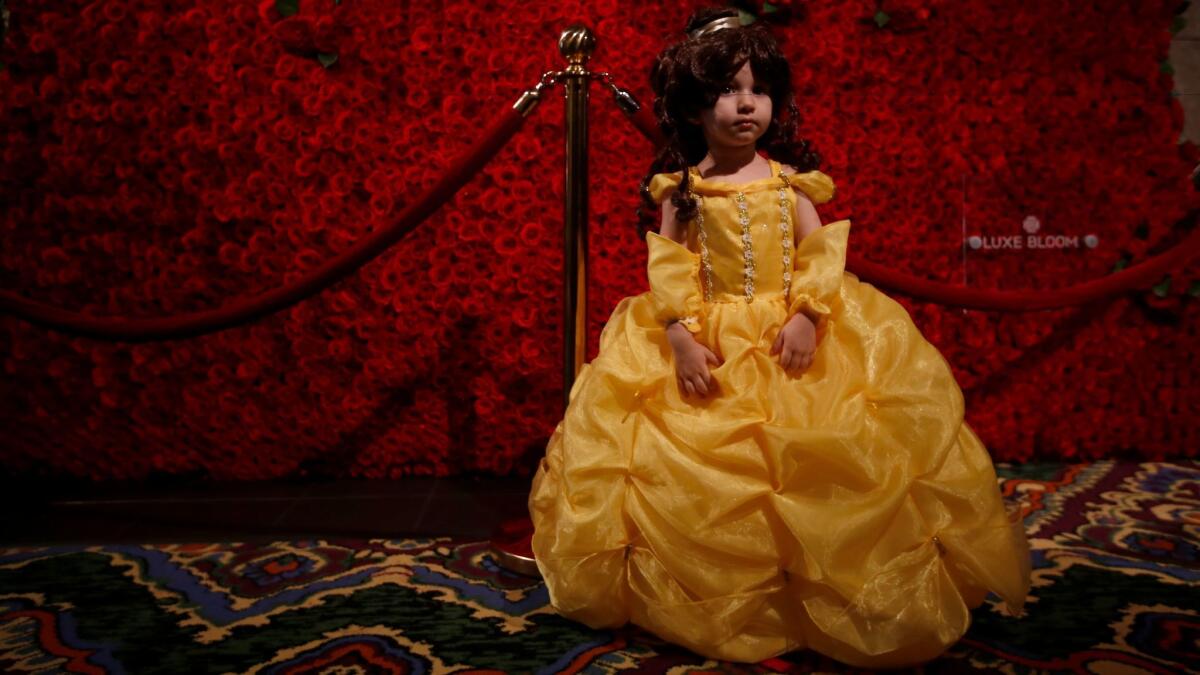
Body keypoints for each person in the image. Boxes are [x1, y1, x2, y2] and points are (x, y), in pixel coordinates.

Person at [528, 7, 1031, 669]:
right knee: (705, 463)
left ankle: (826, 584)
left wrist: (807, 315)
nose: (744, 105)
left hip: (793, 337)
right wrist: (678, 335)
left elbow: (820, 254)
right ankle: (734, 592)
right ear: (693, 108)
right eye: (725, 93)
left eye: (756, 90)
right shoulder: (682, 191)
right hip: (713, 335)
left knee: (827, 451)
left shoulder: (790, 184)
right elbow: (669, 266)